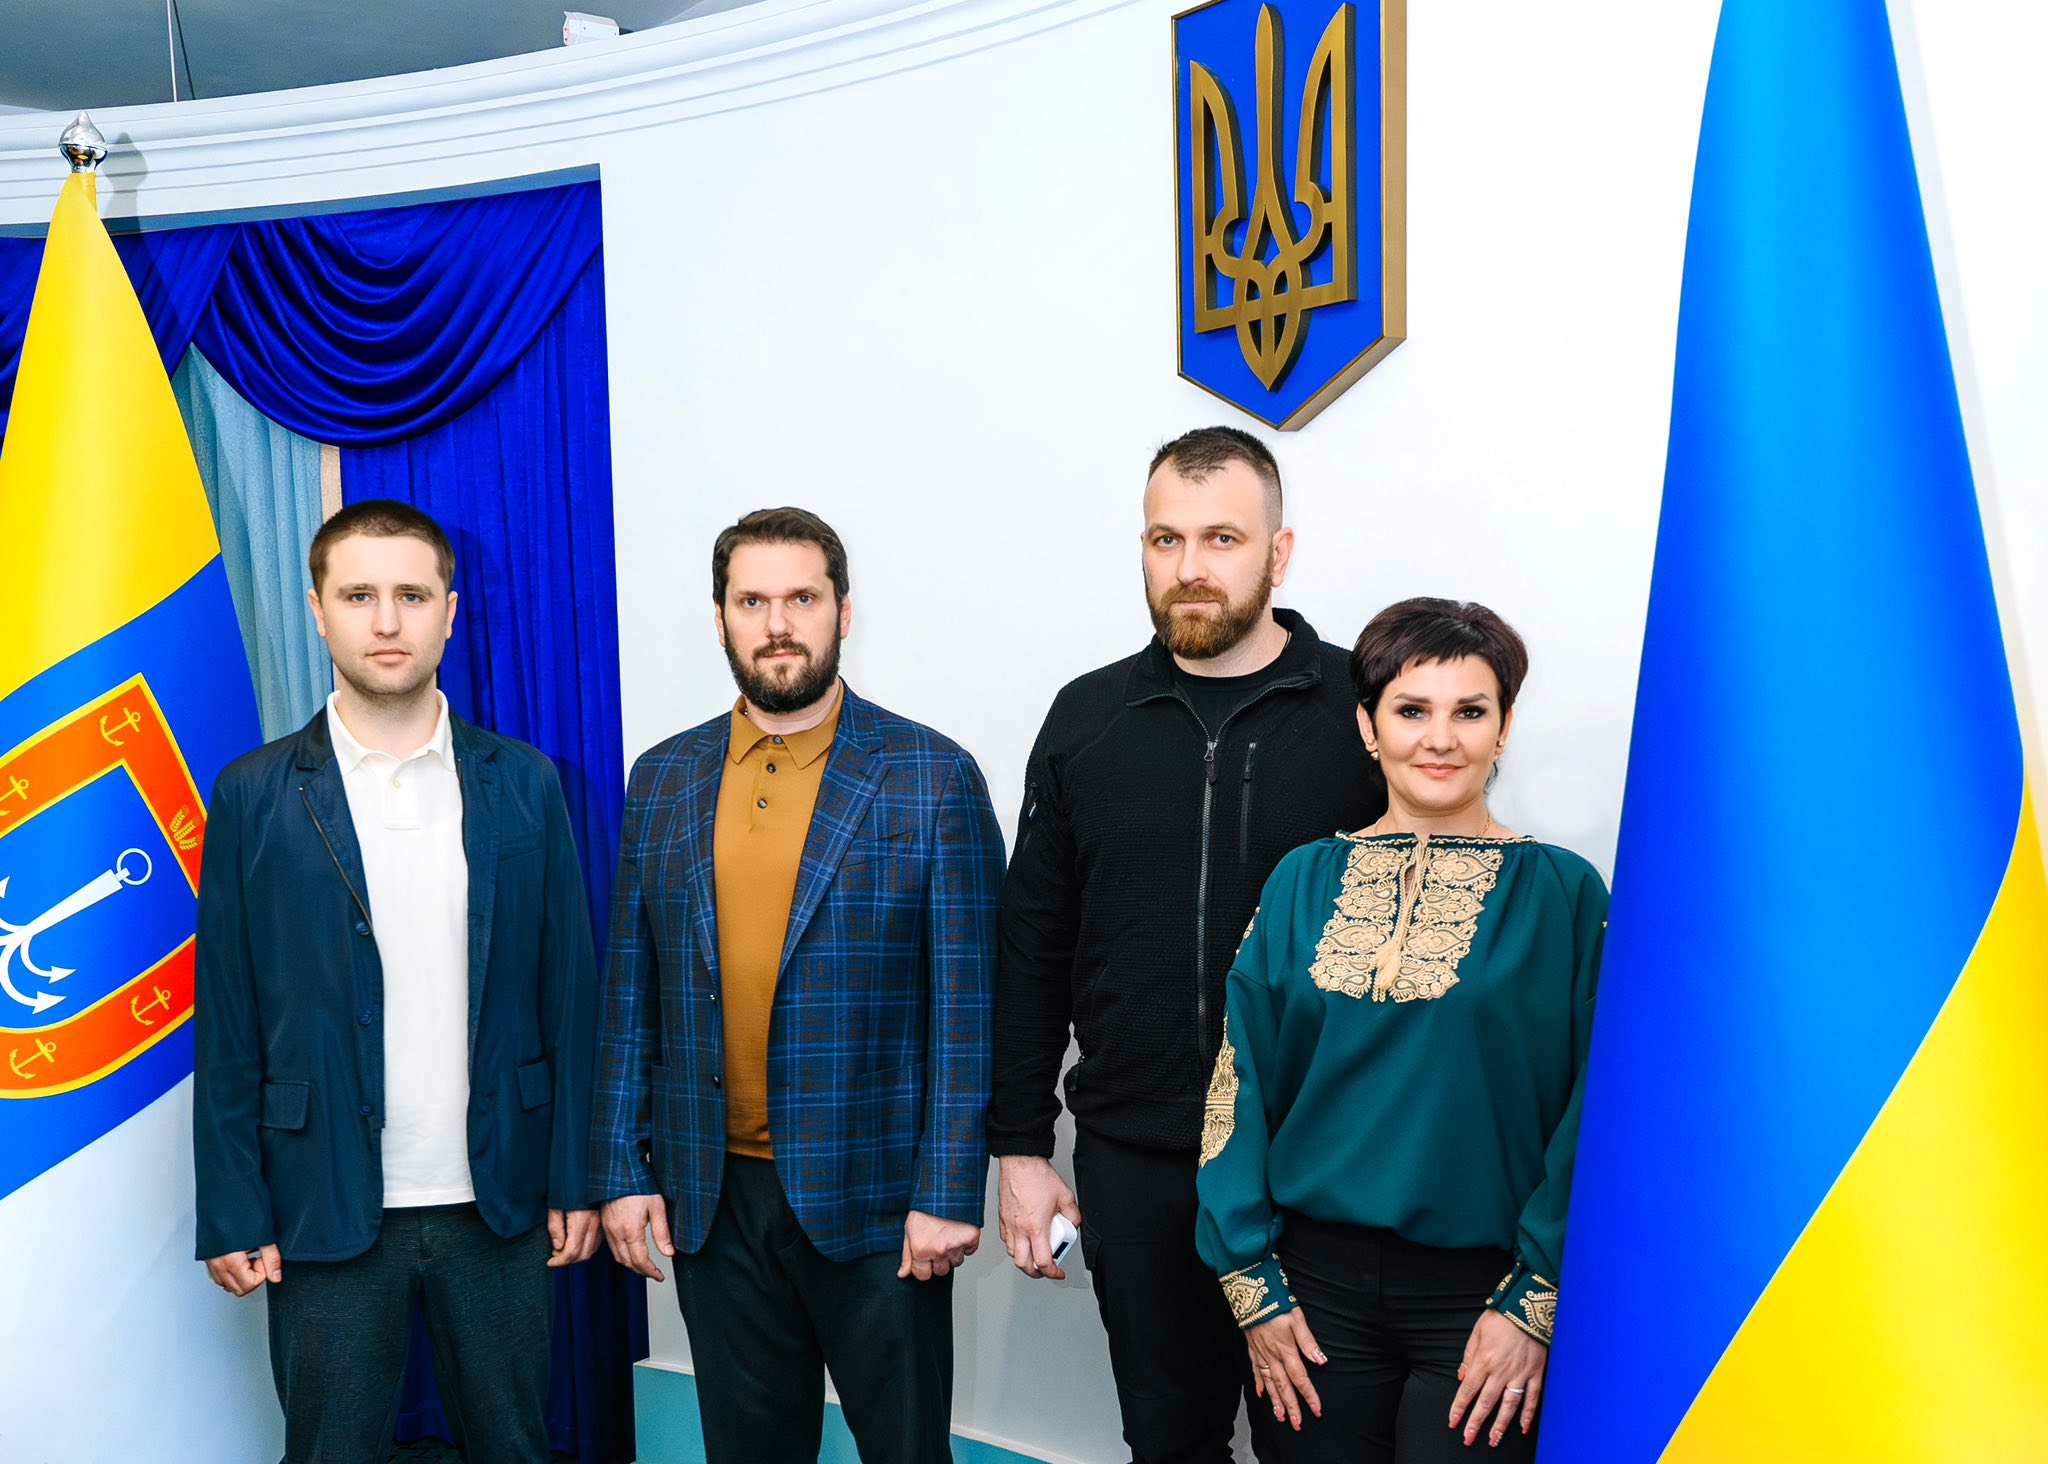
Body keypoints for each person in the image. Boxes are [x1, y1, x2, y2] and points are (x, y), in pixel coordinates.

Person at [991, 427, 1386, 1464]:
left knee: (1320, 1446)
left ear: (1278, 553)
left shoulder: (1362, 713)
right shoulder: (1087, 718)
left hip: (1319, 1163)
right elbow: (1032, 945)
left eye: (1222, 538)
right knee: (1170, 1443)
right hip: (1138, 1158)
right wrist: (1020, 1148)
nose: (1190, 567)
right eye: (1166, 539)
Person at [591, 506, 1006, 1464]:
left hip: (878, 1200)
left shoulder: (931, 775)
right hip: (711, 1197)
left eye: (802, 599)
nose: (778, 624)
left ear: (842, 612)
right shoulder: (662, 777)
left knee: (906, 1452)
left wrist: (949, 1189)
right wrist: (621, 1168)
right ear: (720, 618)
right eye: (752, 602)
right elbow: (630, 990)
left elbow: (969, 1007)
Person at [192, 499, 601, 1464]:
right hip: (321, 1201)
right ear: (317, 610)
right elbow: (229, 1019)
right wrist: (232, 1207)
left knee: (515, 1449)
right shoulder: (253, 794)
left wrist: (577, 1178)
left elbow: (571, 999)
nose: (387, 621)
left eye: (412, 596)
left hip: (498, 1201)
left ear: (450, 613)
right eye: (359, 596)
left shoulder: (526, 783)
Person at [1194, 597, 1607, 1463]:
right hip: (1310, 1293)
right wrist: (1251, 1283)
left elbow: (1598, 1112)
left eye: (1470, 712)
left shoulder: (1566, 895)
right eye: (1412, 710)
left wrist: (1537, 1298)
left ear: (1504, 728)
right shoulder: (1301, 880)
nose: (1440, 738)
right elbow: (1240, 1082)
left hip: (1483, 1296)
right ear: (1368, 725)